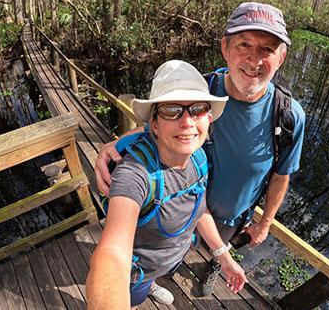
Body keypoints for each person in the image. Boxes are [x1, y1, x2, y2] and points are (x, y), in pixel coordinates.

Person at [94, 2, 305, 297]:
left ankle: (198, 266)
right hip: (170, 201)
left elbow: (282, 174)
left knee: (188, 250)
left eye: (267, 49)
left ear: (280, 58)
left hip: (226, 217)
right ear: (225, 48)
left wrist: (265, 223)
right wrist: (116, 144)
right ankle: (148, 278)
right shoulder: (200, 91)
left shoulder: (289, 116)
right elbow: (159, 128)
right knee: (157, 244)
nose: (254, 59)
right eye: (244, 44)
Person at [86, 60, 247, 309]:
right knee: (133, 299)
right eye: (172, 110)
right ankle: (142, 289)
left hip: (170, 258)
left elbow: (200, 208)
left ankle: (151, 282)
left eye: (197, 109)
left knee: (153, 276)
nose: (187, 122)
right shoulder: (135, 175)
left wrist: (223, 257)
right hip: (136, 271)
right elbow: (113, 254)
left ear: (209, 118)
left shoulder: (199, 157)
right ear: (155, 124)